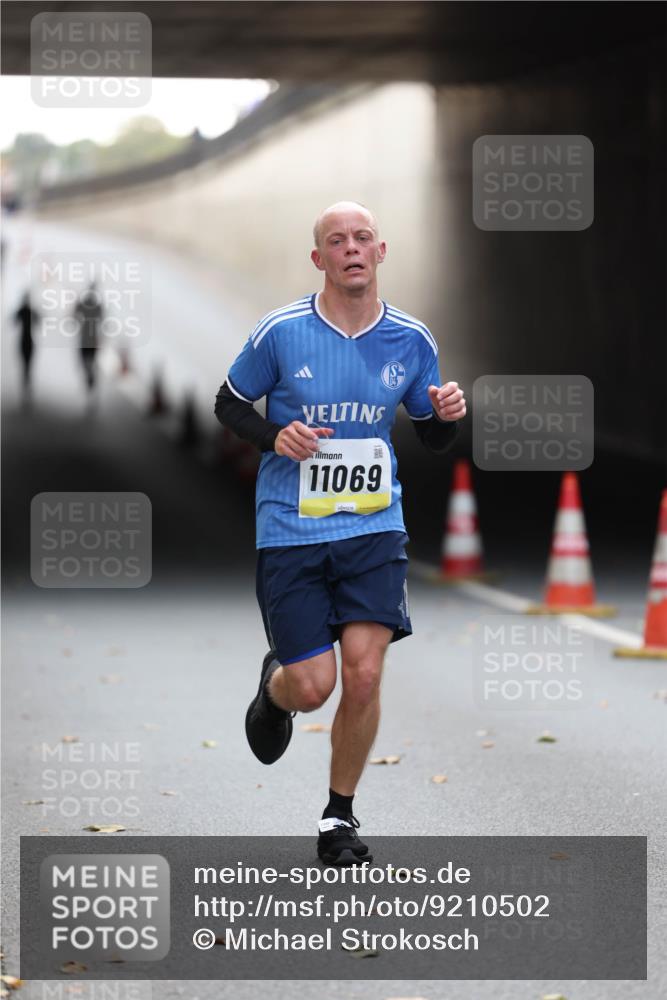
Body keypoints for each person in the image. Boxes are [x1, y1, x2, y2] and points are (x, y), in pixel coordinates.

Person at [214, 201, 466, 865]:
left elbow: (434, 434)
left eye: (361, 238)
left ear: (380, 252)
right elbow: (227, 403)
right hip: (289, 528)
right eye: (336, 240)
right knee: (313, 686)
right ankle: (276, 692)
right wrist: (275, 434)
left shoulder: (410, 339)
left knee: (362, 673)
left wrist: (444, 415)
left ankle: (338, 818)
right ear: (318, 259)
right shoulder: (282, 331)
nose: (350, 248)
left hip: (373, 528)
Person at [72, 282, 104, 397]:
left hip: (86, 338)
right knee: (90, 363)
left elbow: (74, 315)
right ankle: (90, 383)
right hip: (92, 338)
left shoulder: (84, 304)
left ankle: (90, 383)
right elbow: (102, 320)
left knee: (86, 363)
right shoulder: (97, 305)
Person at [13, 291, 40, 405]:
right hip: (28, 341)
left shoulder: (22, 311)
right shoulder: (30, 311)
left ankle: (26, 386)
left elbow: (14, 322)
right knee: (27, 366)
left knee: (25, 365)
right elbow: (38, 322)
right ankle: (27, 386)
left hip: (24, 341)